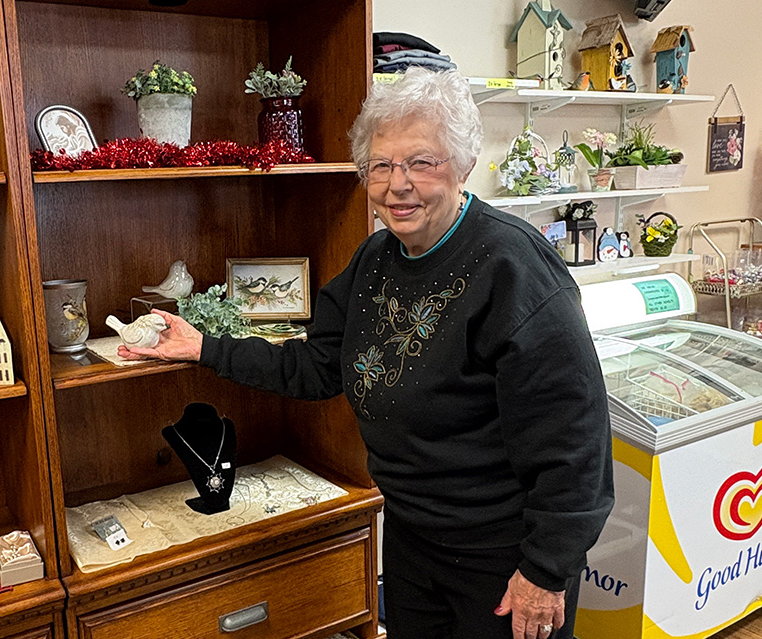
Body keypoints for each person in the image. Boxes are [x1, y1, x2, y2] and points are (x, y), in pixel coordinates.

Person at [119, 67, 614, 639]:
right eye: (380, 165)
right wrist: (204, 347)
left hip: (503, 558)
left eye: (421, 162)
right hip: (411, 539)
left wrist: (546, 571)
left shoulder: (514, 268)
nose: (396, 184)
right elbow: (317, 365)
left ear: (463, 164)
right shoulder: (374, 260)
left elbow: (576, 440)